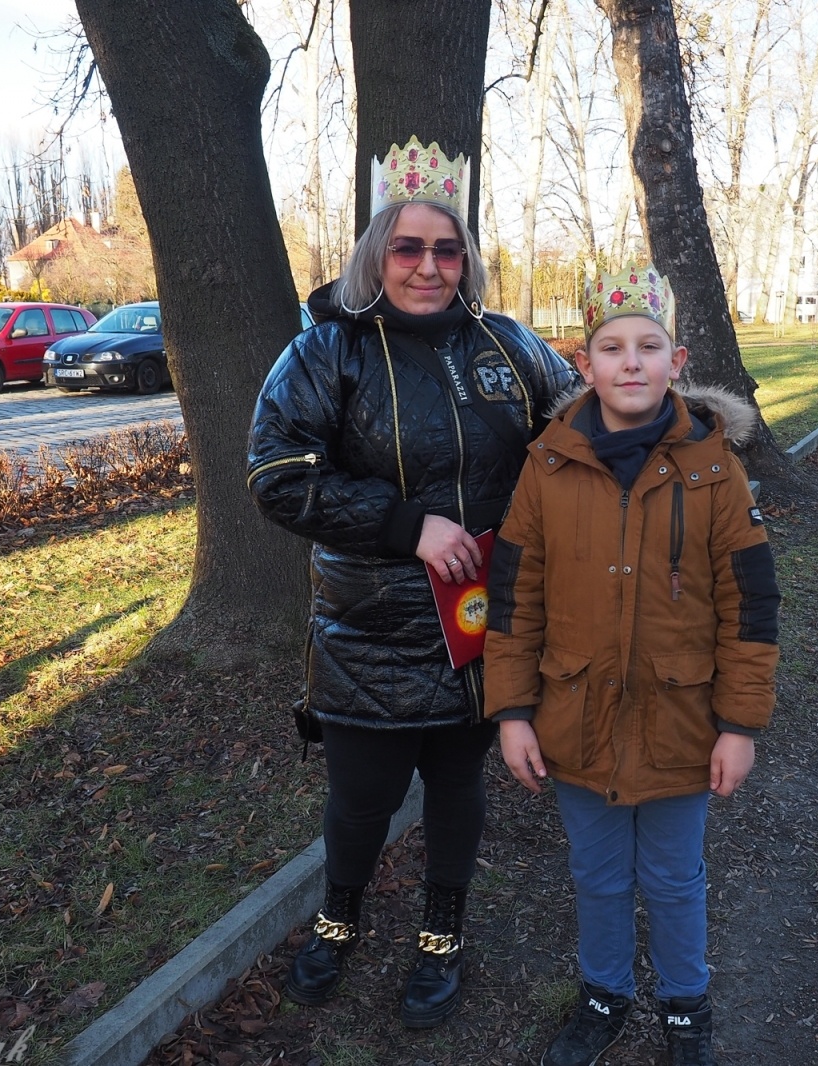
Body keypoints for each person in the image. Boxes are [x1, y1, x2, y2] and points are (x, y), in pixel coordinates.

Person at [246, 136, 577, 1028]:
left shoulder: (509, 345)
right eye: (408, 247)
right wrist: (408, 526)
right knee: (362, 801)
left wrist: (678, 432)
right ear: (376, 253)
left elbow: (584, 434)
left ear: (466, 258)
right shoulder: (326, 353)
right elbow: (278, 474)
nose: (428, 267)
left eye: (446, 249)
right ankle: (337, 922)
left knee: (459, 789)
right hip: (371, 633)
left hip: (480, 630)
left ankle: (442, 934)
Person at [483, 264, 780, 1066]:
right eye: (612, 348)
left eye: (649, 346)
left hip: (682, 723)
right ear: (585, 364)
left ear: (676, 361)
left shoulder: (715, 468)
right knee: (599, 873)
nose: (632, 363)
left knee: (675, 877)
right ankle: (603, 993)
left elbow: (751, 605)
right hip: (575, 718)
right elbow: (514, 598)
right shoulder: (547, 466)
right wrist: (513, 712)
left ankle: (685, 1002)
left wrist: (739, 724)